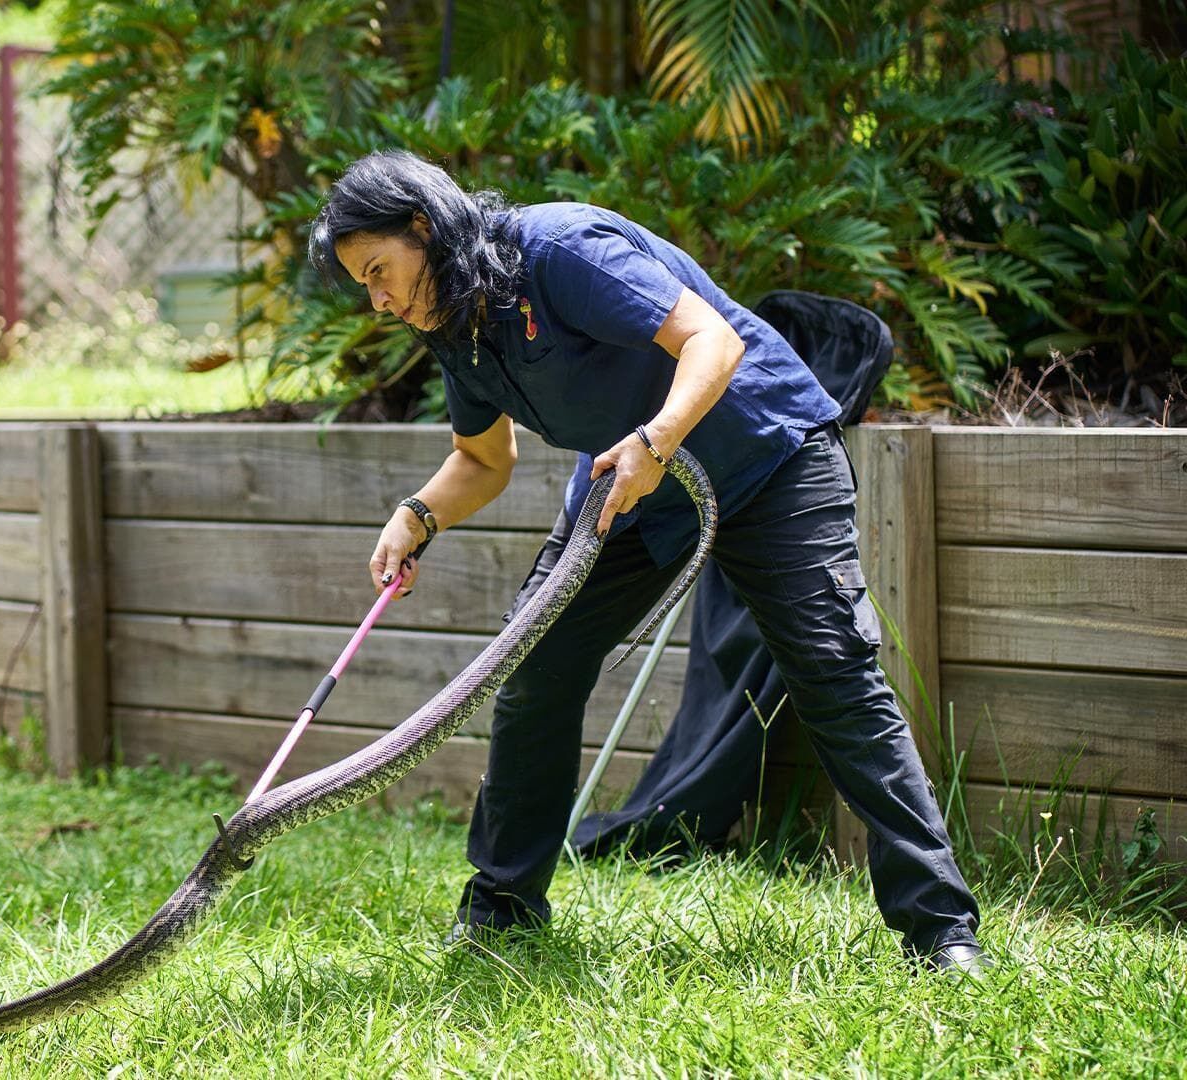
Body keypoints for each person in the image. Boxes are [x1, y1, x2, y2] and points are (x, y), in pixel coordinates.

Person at [307, 150, 990, 975]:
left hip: (763, 456)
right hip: (631, 488)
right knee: (536, 665)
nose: (378, 301)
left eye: (380, 271)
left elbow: (711, 339)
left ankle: (943, 932)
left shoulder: (558, 251)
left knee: (832, 671)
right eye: (364, 287)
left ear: (424, 227)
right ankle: (501, 911)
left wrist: (657, 440)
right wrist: (417, 514)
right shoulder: (459, 327)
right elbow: (484, 460)